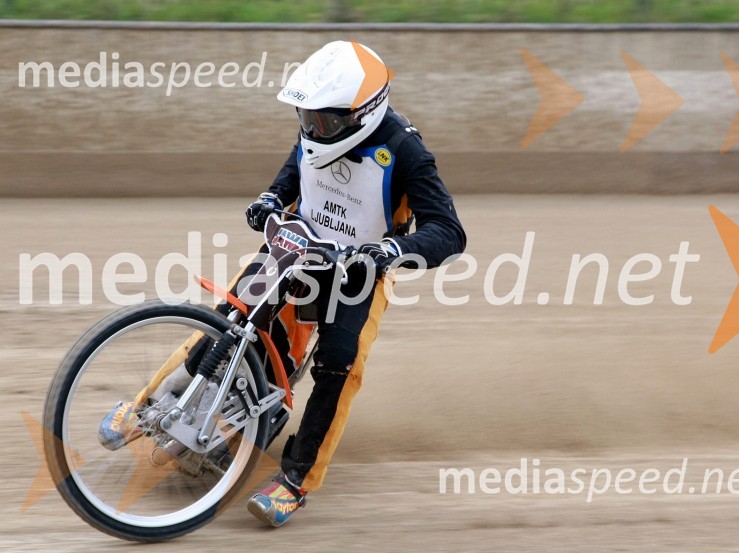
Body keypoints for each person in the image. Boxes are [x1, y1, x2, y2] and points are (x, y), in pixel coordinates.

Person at [98, 40, 465, 528]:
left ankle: (296, 481)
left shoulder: (407, 151)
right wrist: (271, 197)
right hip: (294, 246)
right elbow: (301, 161)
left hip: (356, 273)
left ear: (365, 113)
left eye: (323, 121)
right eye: (305, 116)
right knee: (229, 317)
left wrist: (391, 250)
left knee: (339, 364)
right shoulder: (321, 130)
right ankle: (146, 407)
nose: (312, 128)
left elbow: (449, 232)